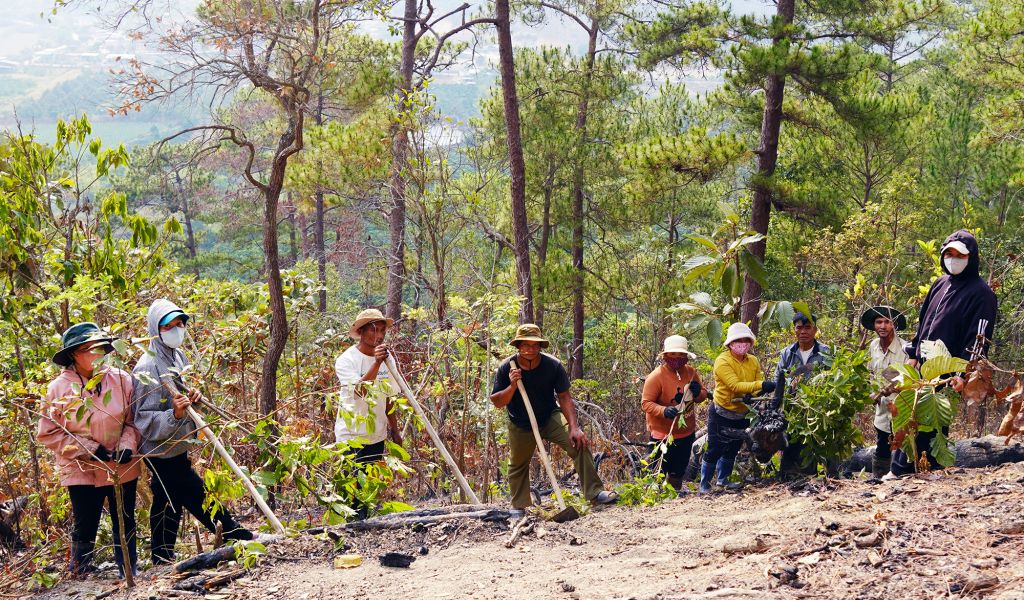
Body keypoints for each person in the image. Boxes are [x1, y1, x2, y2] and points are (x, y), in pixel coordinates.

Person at [134, 300, 253, 565]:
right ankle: (237, 535)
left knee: (171, 498)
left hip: (177, 442)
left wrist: (193, 398)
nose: (177, 330)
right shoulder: (147, 368)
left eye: (180, 324)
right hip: (159, 448)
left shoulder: (178, 357)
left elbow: (184, 396)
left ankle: (162, 556)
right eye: (169, 325)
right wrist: (174, 414)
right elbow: (142, 419)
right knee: (192, 490)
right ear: (156, 329)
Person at [37, 323, 140, 577]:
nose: (94, 354)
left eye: (98, 348)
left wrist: (127, 445)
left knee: (124, 518)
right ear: (73, 354)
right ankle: (79, 573)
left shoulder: (120, 379)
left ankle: (128, 570)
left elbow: (134, 420)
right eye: (86, 349)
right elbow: (48, 432)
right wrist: (89, 449)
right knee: (85, 521)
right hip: (80, 466)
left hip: (120, 464)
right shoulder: (58, 389)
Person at [894, 230, 997, 475]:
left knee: (933, 422)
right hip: (921, 368)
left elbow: (979, 338)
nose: (953, 259)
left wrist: (965, 372)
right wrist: (913, 353)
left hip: (947, 372)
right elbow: (924, 322)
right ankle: (901, 470)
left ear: (971, 257)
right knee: (908, 416)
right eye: (948, 254)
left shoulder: (982, 294)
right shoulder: (940, 283)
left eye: (959, 255)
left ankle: (928, 471)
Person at [490, 324, 617, 517]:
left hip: (549, 415)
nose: (530, 350)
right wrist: (513, 385)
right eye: (525, 345)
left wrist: (574, 427)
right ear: (518, 346)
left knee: (578, 443)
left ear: (540, 346)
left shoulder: (552, 365)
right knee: (517, 463)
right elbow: (498, 402)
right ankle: (519, 506)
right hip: (521, 422)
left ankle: (595, 493)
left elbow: (564, 397)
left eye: (534, 345)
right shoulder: (506, 367)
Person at [334, 308, 404, 517]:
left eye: (382, 330)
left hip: (376, 435)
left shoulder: (387, 359)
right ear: (362, 332)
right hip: (351, 436)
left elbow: (389, 395)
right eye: (374, 330)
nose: (379, 335)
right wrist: (376, 362)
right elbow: (360, 390)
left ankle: (366, 533)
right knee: (352, 492)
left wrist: (395, 430)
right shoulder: (347, 360)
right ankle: (350, 535)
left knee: (369, 491)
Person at [700, 323, 775, 493]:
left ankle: (723, 481)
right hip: (721, 412)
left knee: (732, 448)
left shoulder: (753, 361)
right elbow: (734, 385)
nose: (742, 343)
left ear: (750, 342)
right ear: (730, 343)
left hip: (741, 413)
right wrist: (761, 384)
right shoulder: (722, 361)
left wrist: (755, 391)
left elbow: (754, 385)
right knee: (715, 448)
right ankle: (704, 484)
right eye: (738, 340)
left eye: (745, 340)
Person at [641, 335, 707, 492]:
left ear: (686, 357)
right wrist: (663, 410)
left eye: (681, 355)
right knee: (658, 471)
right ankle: (656, 498)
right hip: (662, 435)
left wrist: (699, 393)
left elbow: (702, 395)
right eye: (673, 354)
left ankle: (674, 497)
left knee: (679, 470)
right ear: (665, 356)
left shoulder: (691, 373)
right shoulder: (656, 377)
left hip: (686, 433)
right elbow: (646, 403)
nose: (677, 358)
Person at [774, 312, 831, 476]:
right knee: (792, 445)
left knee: (817, 445)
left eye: (807, 328)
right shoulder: (787, 353)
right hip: (793, 409)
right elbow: (779, 379)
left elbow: (833, 378)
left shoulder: (825, 352)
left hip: (818, 410)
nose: (803, 332)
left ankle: (826, 475)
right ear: (794, 330)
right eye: (799, 328)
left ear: (815, 330)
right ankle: (791, 475)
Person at [861, 306, 909, 479]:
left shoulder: (906, 349)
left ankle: (901, 479)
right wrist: (870, 393)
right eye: (878, 322)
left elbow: (909, 379)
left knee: (902, 447)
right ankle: (877, 479)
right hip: (881, 411)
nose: (882, 326)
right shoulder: (873, 346)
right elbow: (869, 374)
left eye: (887, 322)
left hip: (902, 409)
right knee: (882, 447)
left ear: (894, 325)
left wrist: (886, 390)